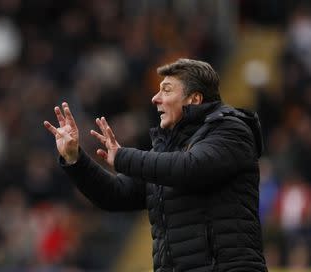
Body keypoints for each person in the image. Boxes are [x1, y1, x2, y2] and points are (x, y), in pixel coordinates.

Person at [43, 58, 267, 272]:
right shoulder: (166, 152)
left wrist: (122, 157)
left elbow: (190, 168)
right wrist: (75, 158)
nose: (155, 98)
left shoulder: (231, 130)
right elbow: (115, 194)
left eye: (167, 90)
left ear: (194, 99)